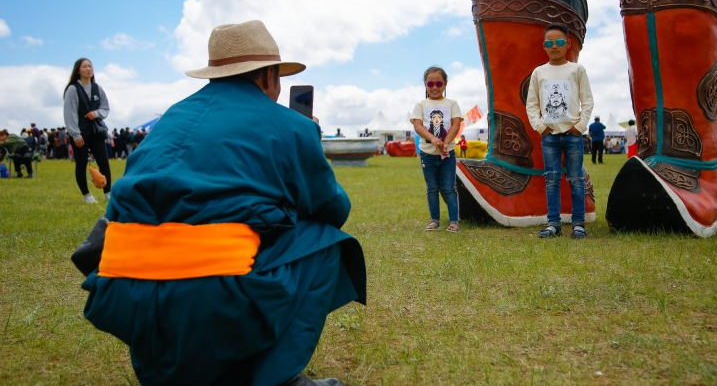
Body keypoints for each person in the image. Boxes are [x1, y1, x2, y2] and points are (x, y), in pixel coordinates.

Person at [77, 20, 366, 386]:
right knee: (328, 243)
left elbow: (122, 205)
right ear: (268, 77)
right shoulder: (290, 125)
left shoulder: (171, 118)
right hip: (212, 293)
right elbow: (333, 209)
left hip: (120, 292)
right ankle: (273, 378)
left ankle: (170, 370)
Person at [526, 22, 594, 239]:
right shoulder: (539, 72)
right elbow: (532, 104)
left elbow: (588, 101)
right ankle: (553, 223)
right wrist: (541, 128)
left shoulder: (577, 69)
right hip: (550, 137)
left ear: (568, 44)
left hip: (573, 136)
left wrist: (579, 127)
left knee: (576, 179)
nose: (554, 46)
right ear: (544, 47)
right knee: (552, 179)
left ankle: (578, 224)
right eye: (549, 43)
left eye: (559, 42)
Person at [411, 66, 463, 232]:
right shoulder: (421, 105)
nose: (434, 87)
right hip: (427, 154)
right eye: (430, 83)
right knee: (432, 188)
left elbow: (456, 124)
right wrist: (434, 140)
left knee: (449, 187)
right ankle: (435, 220)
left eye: (439, 83)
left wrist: (445, 143)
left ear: (445, 84)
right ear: (425, 85)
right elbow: (418, 126)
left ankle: (454, 221)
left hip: (448, 154)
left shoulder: (452, 103)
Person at [63, 57, 112, 204]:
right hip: (80, 133)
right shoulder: (72, 89)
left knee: (104, 162)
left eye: (90, 66)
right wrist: (75, 134)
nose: (88, 69)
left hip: (97, 132)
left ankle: (108, 193)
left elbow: (105, 108)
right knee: (81, 163)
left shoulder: (98, 88)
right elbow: (69, 113)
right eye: (85, 66)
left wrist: (96, 114)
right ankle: (87, 195)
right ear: (78, 70)